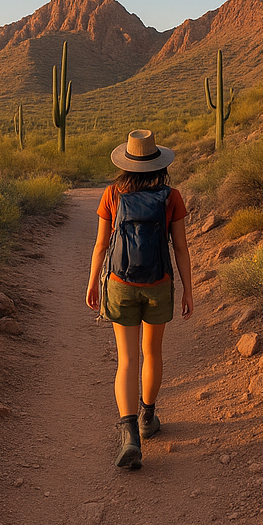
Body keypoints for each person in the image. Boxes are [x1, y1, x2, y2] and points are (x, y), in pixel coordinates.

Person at [86, 129, 193, 469]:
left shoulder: (112, 194)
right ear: (158, 163)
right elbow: (180, 248)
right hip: (158, 282)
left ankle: (129, 434)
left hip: (120, 282)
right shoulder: (171, 196)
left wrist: (92, 283)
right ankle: (148, 418)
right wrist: (188, 289)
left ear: (126, 163)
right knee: (152, 353)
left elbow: (101, 245)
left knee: (127, 360)